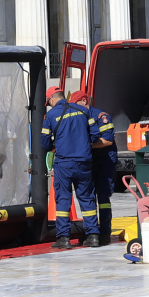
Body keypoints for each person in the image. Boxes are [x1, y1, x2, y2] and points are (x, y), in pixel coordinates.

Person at [41, 86, 101, 249]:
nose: (50, 105)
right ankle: (93, 236)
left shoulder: (51, 115)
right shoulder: (83, 110)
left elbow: (45, 143)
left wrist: (56, 144)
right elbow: (95, 135)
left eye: (49, 102)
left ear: (52, 99)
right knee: (87, 197)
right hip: (84, 161)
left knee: (63, 199)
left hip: (64, 163)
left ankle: (64, 238)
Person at [71, 90, 117, 246]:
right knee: (88, 197)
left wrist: (85, 144)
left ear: (84, 101)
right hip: (89, 161)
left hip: (105, 161)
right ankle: (93, 232)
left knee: (103, 197)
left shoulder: (101, 117)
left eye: (75, 103)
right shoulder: (80, 117)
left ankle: (105, 233)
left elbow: (108, 141)